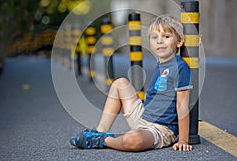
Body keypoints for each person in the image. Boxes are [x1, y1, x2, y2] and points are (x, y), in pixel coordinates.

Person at [70, 15, 193, 152]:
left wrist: (183, 140)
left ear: (179, 41)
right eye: (154, 37)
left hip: (160, 128)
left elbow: (182, 106)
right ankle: (99, 131)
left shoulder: (180, 67)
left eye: (166, 36)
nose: (159, 41)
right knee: (120, 83)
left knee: (133, 140)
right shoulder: (161, 65)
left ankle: (104, 141)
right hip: (143, 116)